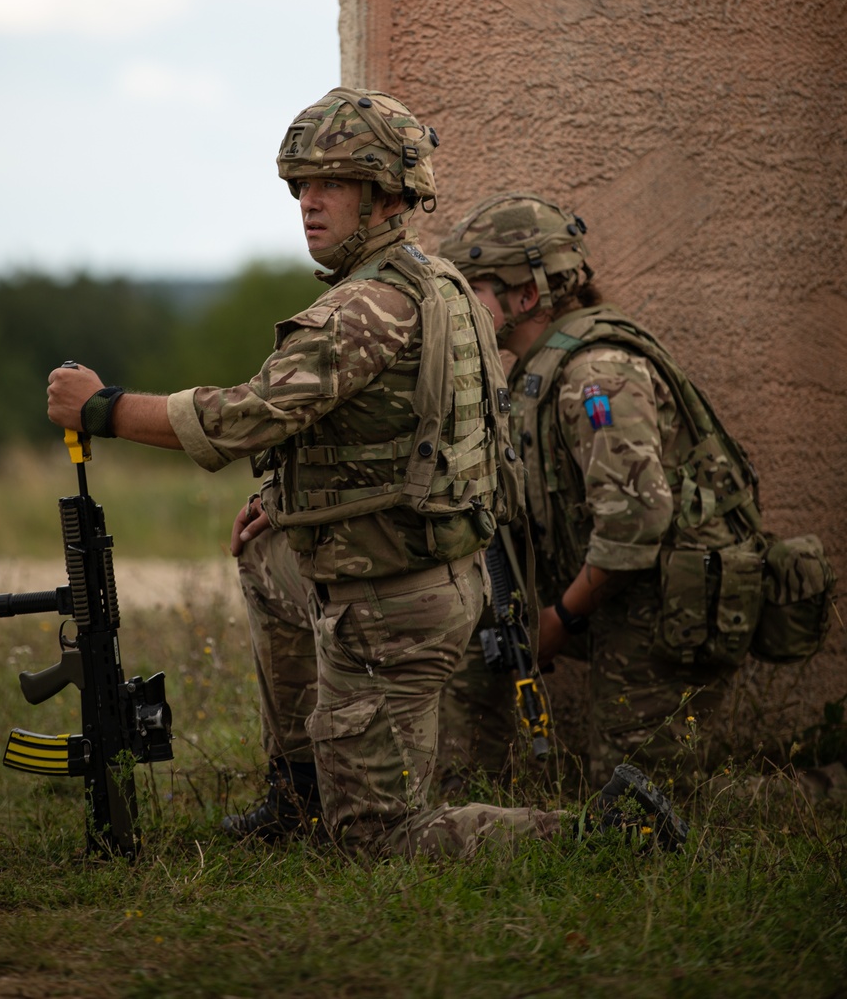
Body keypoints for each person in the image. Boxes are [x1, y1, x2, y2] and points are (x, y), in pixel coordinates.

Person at [47, 97, 686, 856]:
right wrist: (280, 501)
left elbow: (243, 417)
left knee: (377, 840)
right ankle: (298, 795)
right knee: (263, 557)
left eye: (332, 184)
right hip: (402, 568)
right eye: (300, 187)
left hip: (393, 603)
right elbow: (385, 436)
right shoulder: (438, 282)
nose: (309, 203)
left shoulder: (369, 307)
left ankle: (605, 834)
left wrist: (104, 409)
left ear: (386, 195)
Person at [437, 192, 767, 788]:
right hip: (623, 589)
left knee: (646, 799)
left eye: (473, 292)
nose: (462, 308)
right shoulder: (538, 365)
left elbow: (637, 519)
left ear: (526, 296)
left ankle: (822, 789)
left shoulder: (596, 374)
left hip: (670, 599)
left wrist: (559, 617)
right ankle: (465, 791)